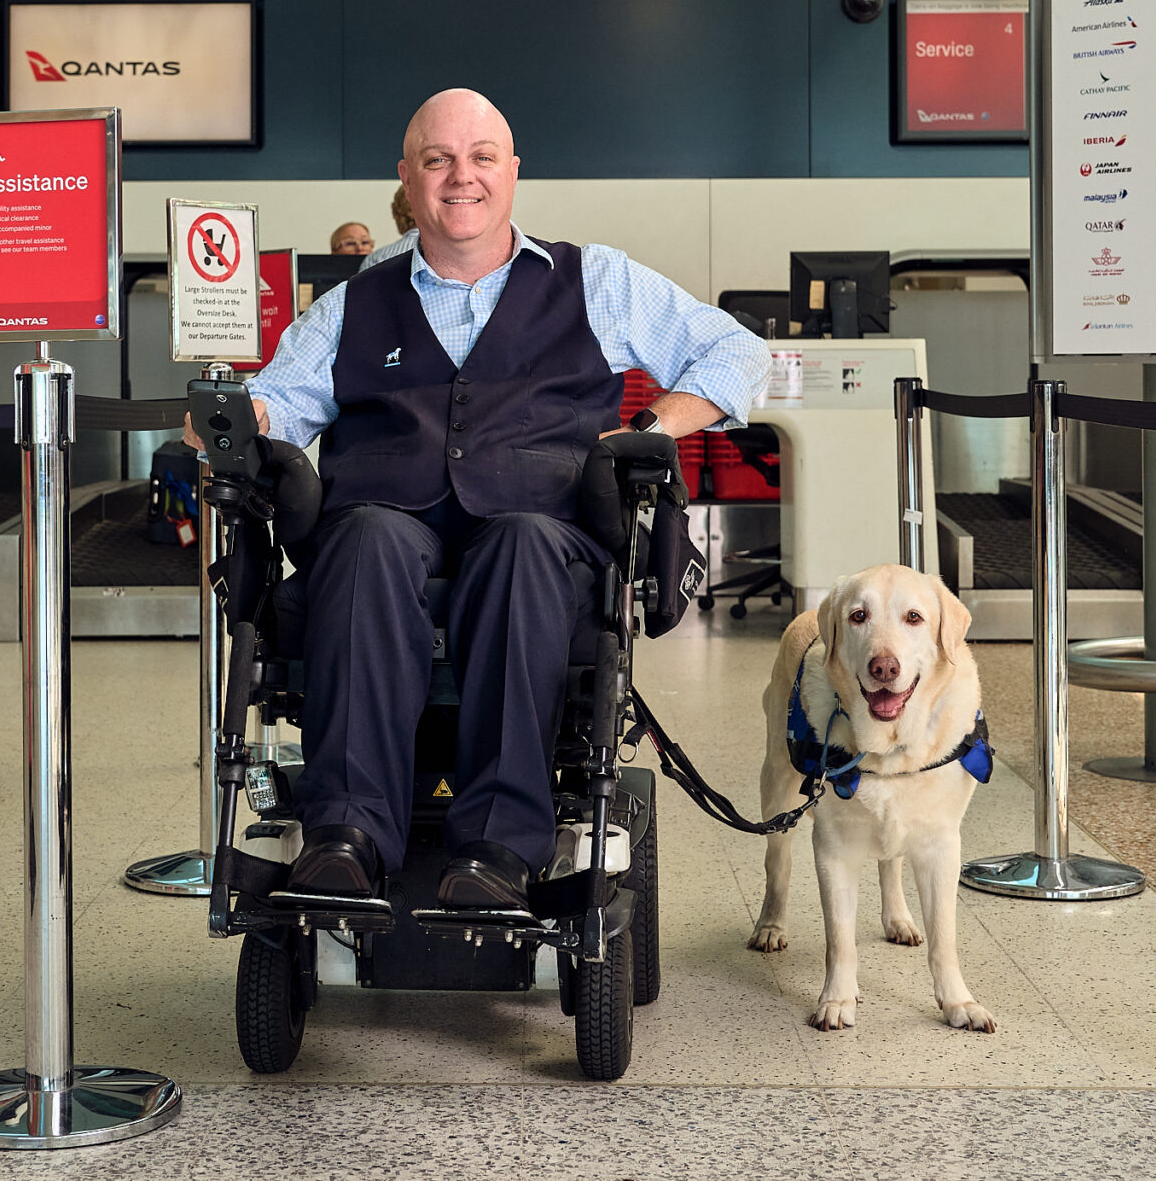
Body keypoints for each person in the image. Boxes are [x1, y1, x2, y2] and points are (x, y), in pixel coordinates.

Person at [239, 89, 766, 910]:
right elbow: (277, 397)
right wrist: (237, 420)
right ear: (407, 177)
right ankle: (345, 831)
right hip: (383, 522)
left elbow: (735, 351)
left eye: (482, 157)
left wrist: (651, 425)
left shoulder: (597, 280)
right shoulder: (353, 303)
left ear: (512, 172)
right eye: (439, 159)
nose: (462, 177)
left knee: (520, 544)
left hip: (542, 528)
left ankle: (497, 842)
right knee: (368, 539)